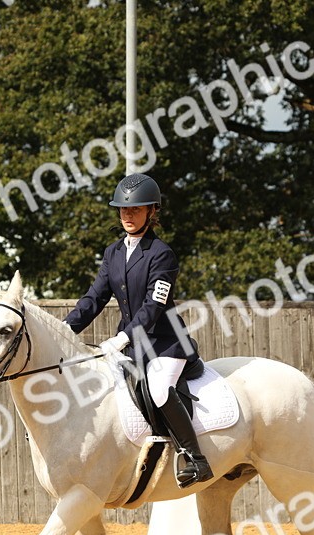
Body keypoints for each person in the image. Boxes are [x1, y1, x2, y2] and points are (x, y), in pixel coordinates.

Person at [64, 173, 214, 488]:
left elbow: (153, 306)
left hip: (165, 343)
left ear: (151, 211)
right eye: (123, 210)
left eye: (135, 210)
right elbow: (94, 298)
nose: (128, 216)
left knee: (158, 389)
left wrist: (122, 337)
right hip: (133, 346)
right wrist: (64, 328)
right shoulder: (113, 253)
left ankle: (195, 458)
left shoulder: (162, 254)